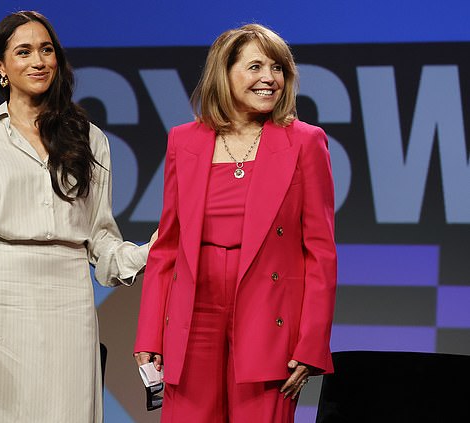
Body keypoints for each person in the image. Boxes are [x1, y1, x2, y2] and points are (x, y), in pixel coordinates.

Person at [0, 10, 155, 423]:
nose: (38, 61)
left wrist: (152, 251)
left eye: (46, 50)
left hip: (69, 302)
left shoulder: (89, 139)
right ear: (1, 67)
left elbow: (103, 246)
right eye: (23, 52)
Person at [134, 23, 337, 422]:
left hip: (269, 316)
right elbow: (167, 247)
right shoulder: (184, 141)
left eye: (277, 68)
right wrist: (150, 333)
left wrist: (311, 343)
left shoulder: (305, 141)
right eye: (256, 66)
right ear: (224, 74)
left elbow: (321, 252)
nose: (269, 79)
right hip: (194, 315)